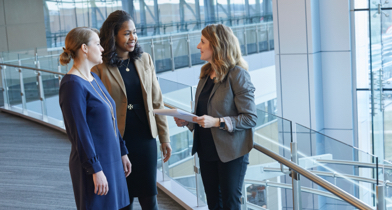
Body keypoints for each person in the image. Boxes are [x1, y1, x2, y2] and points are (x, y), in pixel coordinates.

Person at [92, 10, 172, 210]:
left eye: (134, 32)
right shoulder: (99, 67)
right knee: (123, 200)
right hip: (118, 139)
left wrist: (165, 138)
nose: (133, 37)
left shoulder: (144, 59)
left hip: (145, 137)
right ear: (113, 35)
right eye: (127, 33)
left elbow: (157, 101)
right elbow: (97, 111)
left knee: (149, 199)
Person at [174, 24, 257, 209]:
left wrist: (218, 122)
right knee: (213, 203)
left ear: (217, 45)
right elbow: (204, 115)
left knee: (229, 203)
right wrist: (188, 121)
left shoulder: (238, 75)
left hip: (231, 153)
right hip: (206, 150)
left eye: (202, 42)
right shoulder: (205, 74)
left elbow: (250, 118)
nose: (198, 46)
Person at [58, 27, 132, 210]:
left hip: (111, 159)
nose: (102, 49)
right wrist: (95, 169)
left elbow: (111, 119)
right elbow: (79, 132)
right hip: (94, 164)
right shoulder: (72, 85)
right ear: (84, 48)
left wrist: (122, 151)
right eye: (97, 44)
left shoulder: (93, 78)